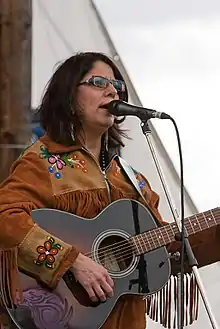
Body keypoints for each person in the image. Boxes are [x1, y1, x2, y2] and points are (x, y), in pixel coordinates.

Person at [0, 51, 220, 329]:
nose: (112, 92)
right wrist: (72, 261)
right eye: (98, 82)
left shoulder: (132, 180)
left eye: (117, 86)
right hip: (59, 316)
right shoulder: (42, 162)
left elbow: (168, 249)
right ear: (68, 95)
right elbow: (5, 219)